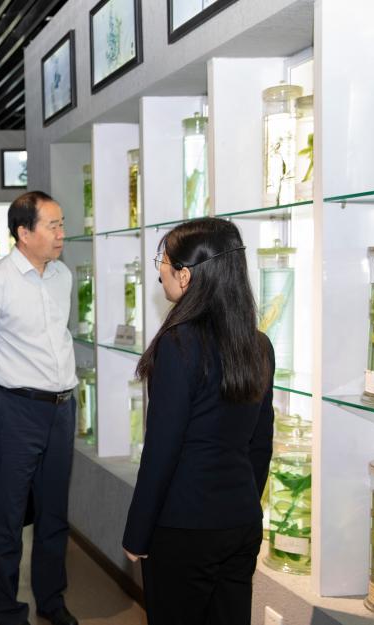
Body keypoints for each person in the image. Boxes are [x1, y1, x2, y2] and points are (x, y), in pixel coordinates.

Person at [122, 218, 274, 625]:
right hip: (241, 522)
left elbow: (162, 448)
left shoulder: (179, 343)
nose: (160, 269)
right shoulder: (259, 345)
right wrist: (240, 501)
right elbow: (260, 444)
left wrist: (137, 531)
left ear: (185, 275)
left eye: (163, 260)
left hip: (184, 526)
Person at [0, 191, 78, 625]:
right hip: (14, 410)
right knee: (8, 520)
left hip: (61, 409)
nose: (61, 233)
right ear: (24, 233)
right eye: (53, 225)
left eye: (61, 224)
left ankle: (52, 601)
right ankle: (9, 612)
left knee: (54, 515)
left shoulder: (62, 276)